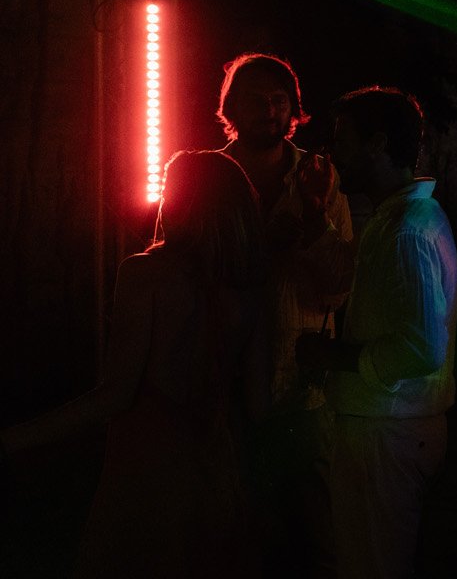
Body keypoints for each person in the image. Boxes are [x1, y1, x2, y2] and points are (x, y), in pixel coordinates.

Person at [1, 151, 270, 577]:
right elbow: (258, 405)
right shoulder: (249, 286)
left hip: (146, 471)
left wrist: (17, 439)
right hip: (214, 467)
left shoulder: (145, 275)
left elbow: (116, 393)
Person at [295, 87, 457, 579]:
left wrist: (333, 358)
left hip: (386, 433)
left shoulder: (406, 230)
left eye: (343, 140)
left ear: (377, 143)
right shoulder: (399, 220)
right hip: (390, 428)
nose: (332, 153)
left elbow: (419, 348)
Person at [217, 51, 355, 575]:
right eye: (255, 100)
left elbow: (341, 287)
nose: (269, 111)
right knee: (235, 540)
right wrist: (258, 251)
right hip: (224, 389)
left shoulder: (320, 177)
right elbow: (177, 274)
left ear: (294, 109)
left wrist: (314, 223)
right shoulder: (206, 178)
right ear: (230, 107)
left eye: (279, 101)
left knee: (314, 543)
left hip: (301, 391)